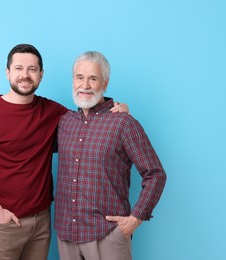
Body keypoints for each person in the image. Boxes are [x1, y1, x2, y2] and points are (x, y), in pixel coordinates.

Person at [0, 44, 128, 260]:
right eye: (18, 68)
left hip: (42, 223)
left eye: (32, 69)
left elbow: (88, 123)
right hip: (3, 224)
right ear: (8, 72)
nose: (25, 76)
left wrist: (116, 108)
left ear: (41, 75)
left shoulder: (53, 112)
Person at [54, 51, 167, 260]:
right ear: (73, 81)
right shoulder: (64, 122)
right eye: (80, 77)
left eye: (93, 78)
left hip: (107, 236)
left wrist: (135, 220)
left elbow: (156, 174)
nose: (85, 85)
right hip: (66, 236)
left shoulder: (123, 123)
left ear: (104, 83)